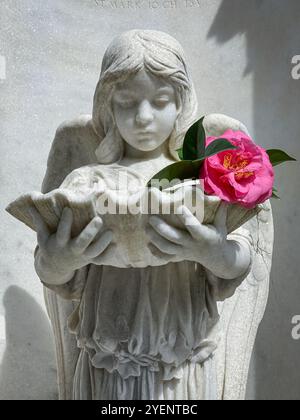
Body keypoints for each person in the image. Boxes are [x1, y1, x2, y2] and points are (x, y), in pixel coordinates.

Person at [30, 30, 255, 400]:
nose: (143, 116)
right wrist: (60, 261)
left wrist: (213, 253)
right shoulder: (86, 180)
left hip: (180, 358)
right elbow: (50, 269)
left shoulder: (205, 176)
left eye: (160, 100)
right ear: (107, 105)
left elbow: (240, 260)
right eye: (127, 102)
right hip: (109, 356)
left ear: (181, 103)